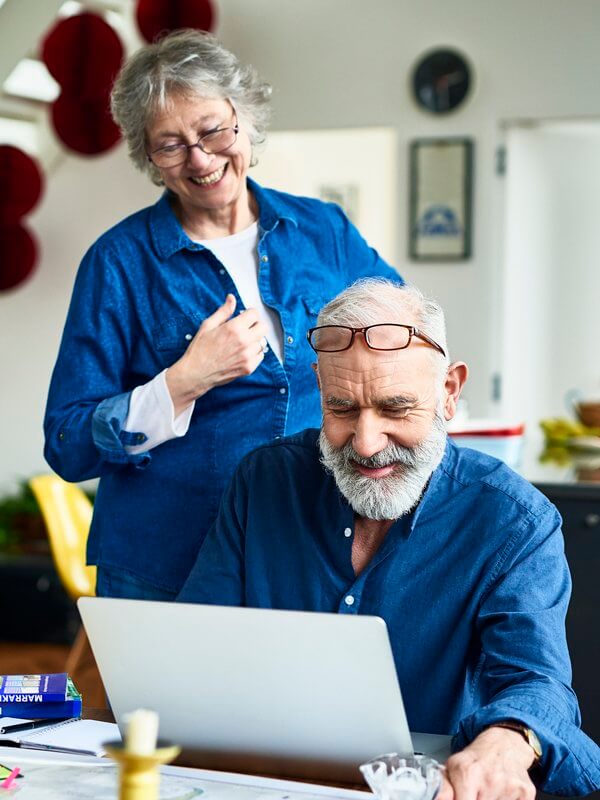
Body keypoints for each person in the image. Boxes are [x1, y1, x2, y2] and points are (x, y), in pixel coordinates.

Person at [179, 278, 600, 798]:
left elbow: (538, 683)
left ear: (449, 393)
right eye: (342, 408)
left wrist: (509, 741)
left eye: (396, 408)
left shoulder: (514, 522)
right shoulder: (264, 481)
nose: (366, 441)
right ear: (320, 387)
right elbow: (194, 644)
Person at [43, 31, 401, 600]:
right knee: (162, 696)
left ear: (244, 117)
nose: (202, 159)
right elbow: (66, 441)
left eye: (212, 130)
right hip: (167, 564)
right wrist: (184, 382)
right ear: (149, 157)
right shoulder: (118, 262)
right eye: (171, 144)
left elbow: (402, 340)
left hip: (309, 554)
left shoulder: (324, 231)